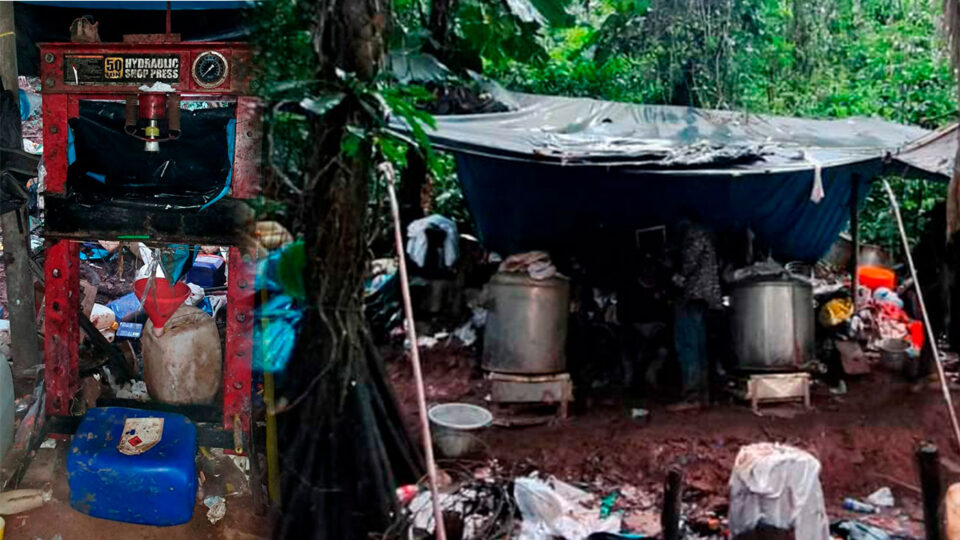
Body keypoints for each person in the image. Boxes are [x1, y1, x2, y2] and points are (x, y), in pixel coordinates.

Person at [671, 218, 722, 409]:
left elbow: (687, 269)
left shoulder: (693, 237)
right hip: (703, 299)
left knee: (688, 346)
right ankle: (703, 395)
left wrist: (672, 275)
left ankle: (692, 396)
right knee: (699, 347)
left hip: (692, 297)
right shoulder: (706, 236)